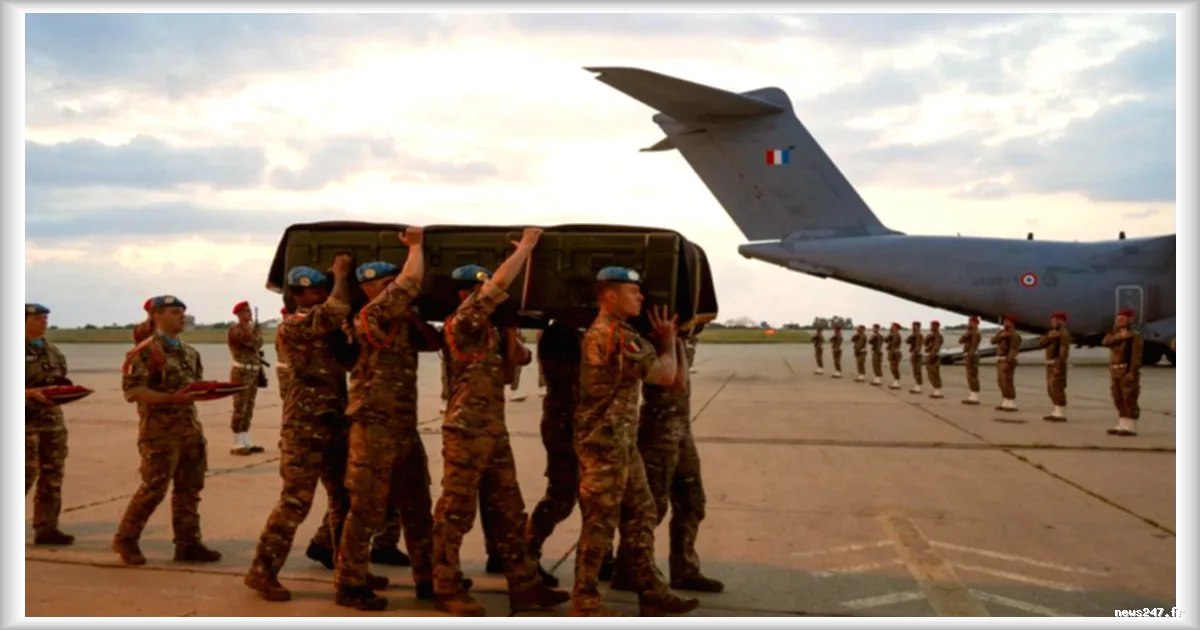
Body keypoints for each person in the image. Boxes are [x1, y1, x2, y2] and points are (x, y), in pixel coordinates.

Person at [430, 227, 569, 617]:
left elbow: (514, 368)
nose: (482, 293)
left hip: (493, 429)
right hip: (466, 430)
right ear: (462, 294)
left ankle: (525, 588)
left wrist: (511, 334)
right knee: (455, 512)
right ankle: (446, 587)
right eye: (474, 289)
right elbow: (499, 286)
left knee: (510, 511)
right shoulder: (462, 322)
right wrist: (525, 247)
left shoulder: (488, 331)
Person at [245, 259, 380, 601]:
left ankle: (346, 565)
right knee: (295, 502)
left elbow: (348, 361)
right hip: (304, 427)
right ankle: (262, 571)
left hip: (334, 421)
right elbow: (336, 308)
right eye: (314, 291)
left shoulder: (327, 329)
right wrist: (340, 275)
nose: (320, 296)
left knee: (343, 499)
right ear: (299, 294)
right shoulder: (293, 325)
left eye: (322, 290)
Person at [570, 266, 700, 618]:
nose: (641, 297)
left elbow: (672, 380)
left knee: (642, 515)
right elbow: (667, 376)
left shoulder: (621, 332)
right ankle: (584, 601)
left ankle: (652, 593)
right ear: (610, 296)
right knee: (599, 524)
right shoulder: (612, 335)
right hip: (604, 446)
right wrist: (668, 340)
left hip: (622, 443)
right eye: (634, 292)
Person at [334, 228, 437, 611]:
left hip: (402, 427)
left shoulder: (400, 320)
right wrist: (416, 246)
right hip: (372, 427)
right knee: (367, 509)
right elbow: (412, 280)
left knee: (418, 506)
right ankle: (350, 583)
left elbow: (432, 343)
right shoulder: (373, 314)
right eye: (387, 282)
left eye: (394, 280)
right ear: (369, 288)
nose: (396, 285)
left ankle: (428, 577)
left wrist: (414, 320)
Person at [612, 325, 724, 595]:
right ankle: (628, 569)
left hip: (680, 429)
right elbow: (677, 380)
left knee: (692, 502)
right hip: (658, 432)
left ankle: (684, 568)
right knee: (653, 507)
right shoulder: (653, 340)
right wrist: (671, 339)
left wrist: (680, 338)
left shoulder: (678, 339)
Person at [113, 295, 221, 566]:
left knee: (189, 489)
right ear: (156, 316)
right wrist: (171, 398)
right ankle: (126, 539)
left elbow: (192, 386)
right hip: (160, 433)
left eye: (183, 312)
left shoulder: (189, 352)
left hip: (189, 429)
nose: (181, 316)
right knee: (154, 488)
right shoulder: (145, 352)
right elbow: (133, 391)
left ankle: (188, 544)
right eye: (174, 312)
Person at [524, 320, 584, 588]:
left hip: (571, 424)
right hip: (566, 426)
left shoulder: (561, 333)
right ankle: (526, 554)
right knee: (561, 496)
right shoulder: (561, 334)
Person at [24, 303, 75, 546]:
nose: (44, 322)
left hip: (51, 421)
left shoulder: (52, 351)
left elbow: (59, 379)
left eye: (45, 318)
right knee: (26, 473)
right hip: (26, 422)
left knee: (52, 475)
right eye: (38, 318)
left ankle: (47, 528)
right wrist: (30, 393)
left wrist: (65, 390)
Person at [228, 301, 266, 456]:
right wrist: (257, 331)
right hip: (241, 373)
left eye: (250, 311)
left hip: (253, 372)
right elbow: (256, 343)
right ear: (239, 314)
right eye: (246, 312)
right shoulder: (236, 330)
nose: (249, 314)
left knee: (249, 406)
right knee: (240, 407)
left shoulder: (250, 329)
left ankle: (245, 438)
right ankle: (237, 441)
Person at [1103, 308, 1143, 436]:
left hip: (1126, 370)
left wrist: (1132, 372)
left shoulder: (1134, 335)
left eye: (1123, 318)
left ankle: (1130, 426)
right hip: (1115, 370)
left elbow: (1135, 356)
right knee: (1117, 397)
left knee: (1129, 398)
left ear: (1130, 319)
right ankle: (1122, 423)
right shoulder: (1116, 334)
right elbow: (1105, 342)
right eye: (1118, 317)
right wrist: (1119, 336)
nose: (1119, 320)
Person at [1039, 311, 1071, 422]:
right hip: (1050, 364)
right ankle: (1056, 410)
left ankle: (1060, 412)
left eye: (1056, 320)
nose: (1053, 322)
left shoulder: (1064, 334)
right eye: (1052, 320)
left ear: (1062, 322)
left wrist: (1059, 365)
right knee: (1051, 389)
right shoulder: (1051, 333)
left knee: (1057, 388)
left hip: (1057, 364)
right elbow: (1042, 343)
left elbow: (1063, 351)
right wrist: (1049, 336)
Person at [992, 315, 1023, 412]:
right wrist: (999, 335)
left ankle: (1011, 402)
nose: (1005, 323)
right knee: (1001, 381)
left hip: (1007, 360)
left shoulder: (1014, 335)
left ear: (1012, 323)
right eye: (1004, 321)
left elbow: (1014, 349)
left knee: (1007, 381)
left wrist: (1009, 361)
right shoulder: (1002, 333)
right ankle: (1005, 400)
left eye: (1007, 322)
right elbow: (993, 341)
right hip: (1000, 359)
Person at [959, 317, 982, 405]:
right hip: (967, 355)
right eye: (969, 322)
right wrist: (966, 334)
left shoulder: (976, 334)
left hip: (972, 356)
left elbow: (974, 346)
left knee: (972, 376)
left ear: (976, 324)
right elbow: (960, 341)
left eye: (971, 322)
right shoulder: (969, 333)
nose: (969, 324)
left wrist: (969, 356)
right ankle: (972, 395)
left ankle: (975, 396)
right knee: (969, 376)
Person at [924, 321, 944, 399]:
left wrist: (931, 355)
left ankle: (938, 391)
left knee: (934, 373)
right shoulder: (931, 335)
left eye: (933, 326)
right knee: (931, 374)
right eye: (931, 325)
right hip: (929, 355)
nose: (931, 327)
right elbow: (925, 343)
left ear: (937, 327)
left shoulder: (938, 336)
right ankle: (936, 390)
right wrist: (928, 337)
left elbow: (936, 346)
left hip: (934, 356)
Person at [906, 322, 923, 394]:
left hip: (917, 355)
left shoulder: (919, 336)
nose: (913, 328)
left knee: (917, 370)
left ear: (918, 327)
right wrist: (912, 335)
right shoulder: (914, 335)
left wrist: (914, 354)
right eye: (913, 326)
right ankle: (917, 385)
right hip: (914, 354)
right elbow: (907, 341)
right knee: (915, 371)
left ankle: (918, 386)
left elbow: (918, 347)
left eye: (915, 326)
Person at [885, 323, 903, 389]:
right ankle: (895, 381)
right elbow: (886, 340)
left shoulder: (897, 335)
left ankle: (897, 382)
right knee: (892, 368)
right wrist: (890, 333)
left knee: (894, 368)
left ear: (896, 328)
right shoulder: (892, 334)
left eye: (892, 327)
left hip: (895, 353)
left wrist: (892, 335)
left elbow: (894, 343)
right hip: (892, 352)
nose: (891, 327)